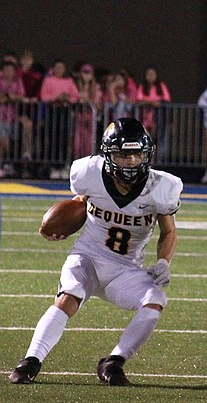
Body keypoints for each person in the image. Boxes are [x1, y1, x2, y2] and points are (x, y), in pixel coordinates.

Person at [9, 118, 183, 387]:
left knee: (155, 299)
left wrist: (164, 261)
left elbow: (168, 231)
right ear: (108, 155)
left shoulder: (161, 187)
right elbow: (78, 205)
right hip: (88, 257)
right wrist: (62, 226)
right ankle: (31, 359)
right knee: (69, 296)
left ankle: (114, 361)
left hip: (126, 269)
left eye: (137, 154)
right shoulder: (88, 172)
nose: (131, 162)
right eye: (123, 155)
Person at [39, 59, 80, 179]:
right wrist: (57, 97)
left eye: (61, 67)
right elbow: (44, 96)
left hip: (65, 111)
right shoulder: (48, 80)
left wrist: (66, 98)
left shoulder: (69, 81)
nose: (59, 70)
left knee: (64, 138)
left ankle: (62, 166)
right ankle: (53, 166)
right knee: (52, 138)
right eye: (57, 67)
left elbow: (75, 96)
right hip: (52, 112)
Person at [135, 66, 171, 157]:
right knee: (146, 138)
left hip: (158, 117)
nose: (150, 76)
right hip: (145, 117)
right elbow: (138, 99)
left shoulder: (161, 86)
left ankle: (156, 158)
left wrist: (154, 103)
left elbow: (166, 99)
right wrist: (150, 102)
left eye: (153, 74)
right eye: (148, 74)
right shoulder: (142, 87)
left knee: (156, 138)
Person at [0, 60, 25, 177]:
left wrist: (11, 97)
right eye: (6, 70)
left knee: (11, 144)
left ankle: (7, 165)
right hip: (1, 116)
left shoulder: (17, 81)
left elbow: (21, 96)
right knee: (4, 142)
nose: (8, 72)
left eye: (11, 70)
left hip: (13, 117)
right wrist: (9, 97)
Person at [73, 63, 103, 160]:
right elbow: (73, 97)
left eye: (88, 73)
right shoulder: (76, 86)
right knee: (78, 142)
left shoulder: (96, 87)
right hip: (80, 116)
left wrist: (87, 100)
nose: (86, 75)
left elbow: (97, 103)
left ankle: (89, 162)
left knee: (89, 142)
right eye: (84, 73)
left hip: (91, 117)